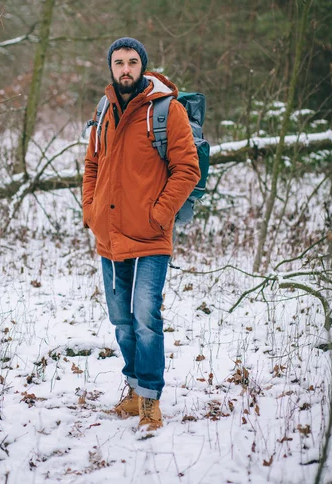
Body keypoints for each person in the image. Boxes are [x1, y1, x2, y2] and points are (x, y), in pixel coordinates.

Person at [82, 37, 200, 431]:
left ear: (143, 66)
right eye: (119, 62)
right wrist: (91, 210)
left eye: (133, 62)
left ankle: (150, 397)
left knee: (146, 317)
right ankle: (133, 391)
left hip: (150, 237)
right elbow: (92, 165)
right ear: (111, 68)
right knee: (121, 320)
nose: (126, 69)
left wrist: (159, 215)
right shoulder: (104, 110)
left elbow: (187, 169)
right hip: (110, 235)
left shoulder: (168, 111)